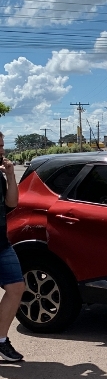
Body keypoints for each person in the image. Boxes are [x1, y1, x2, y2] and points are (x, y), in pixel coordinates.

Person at [0, 132, 25, 361]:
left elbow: (12, 203)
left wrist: (10, 176)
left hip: (1, 244)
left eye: (2, 145)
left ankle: (0, 341)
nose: (2, 151)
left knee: (16, 287)